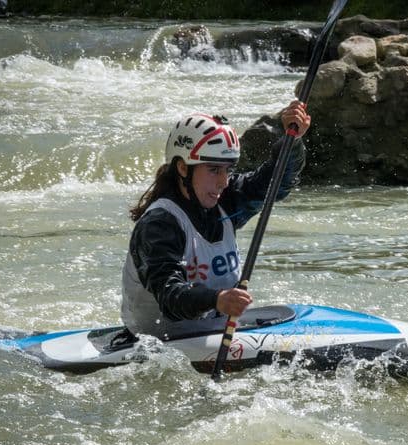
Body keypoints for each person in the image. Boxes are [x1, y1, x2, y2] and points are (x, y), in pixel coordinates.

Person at [121, 100, 311, 340]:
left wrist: (292, 140)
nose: (223, 182)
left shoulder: (225, 201)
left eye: (227, 170)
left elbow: (276, 185)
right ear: (182, 168)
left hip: (213, 332)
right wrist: (217, 299)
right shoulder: (158, 225)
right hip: (155, 342)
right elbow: (170, 296)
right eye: (213, 170)